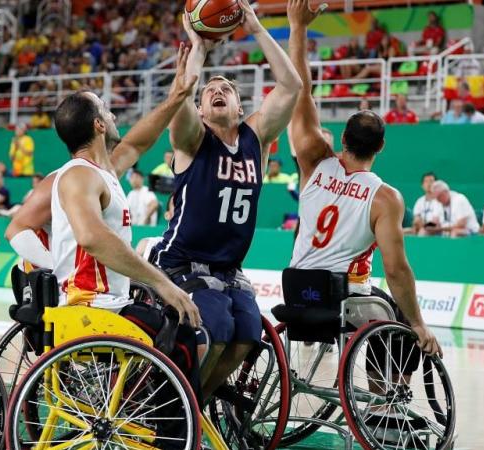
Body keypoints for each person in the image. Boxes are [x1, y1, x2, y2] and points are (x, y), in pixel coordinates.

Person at [150, 0, 302, 401]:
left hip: (229, 268)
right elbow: (178, 103)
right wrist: (197, 51)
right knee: (214, 332)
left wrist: (254, 27)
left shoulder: (257, 139)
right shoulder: (192, 139)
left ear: (240, 107)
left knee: (248, 336)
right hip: (180, 261)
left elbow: (292, 87)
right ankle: (171, 410)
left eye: (226, 90)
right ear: (201, 109)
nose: (217, 91)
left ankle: (196, 403)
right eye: (209, 91)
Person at [285, 0, 441, 380]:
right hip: (342, 298)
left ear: (341, 139)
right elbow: (396, 270)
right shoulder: (385, 197)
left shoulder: (313, 161)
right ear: (382, 147)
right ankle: (381, 400)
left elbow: (300, 91)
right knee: (402, 321)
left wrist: (298, 28)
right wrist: (418, 322)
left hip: (296, 288)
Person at [49, 44, 202, 419]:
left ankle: (162, 423)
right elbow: (92, 237)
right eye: (106, 109)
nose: (113, 113)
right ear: (99, 125)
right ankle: (170, 437)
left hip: (107, 303)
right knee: (182, 336)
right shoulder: (79, 175)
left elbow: (138, 141)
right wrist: (162, 281)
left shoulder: (104, 170)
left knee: (178, 324)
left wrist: (178, 96)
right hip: (88, 308)